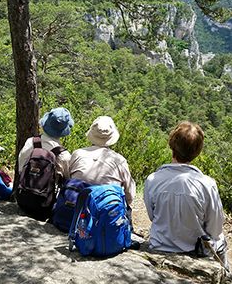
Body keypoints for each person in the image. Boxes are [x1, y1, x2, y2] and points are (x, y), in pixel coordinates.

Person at [144, 121, 229, 270]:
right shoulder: (207, 184)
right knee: (221, 241)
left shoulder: (152, 179)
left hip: (160, 245)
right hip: (195, 250)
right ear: (198, 151)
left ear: (172, 146)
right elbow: (215, 229)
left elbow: (153, 216)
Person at [69, 116, 136, 207]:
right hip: (105, 210)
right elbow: (130, 194)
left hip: (75, 206)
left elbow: (68, 177)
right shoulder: (119, 160)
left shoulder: (77, 154)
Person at [18, 107, 73, 181]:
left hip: (25, 190)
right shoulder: (64, 155)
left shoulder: (31, 142)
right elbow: (68, 179)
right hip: (50, 192)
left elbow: (20, 169)